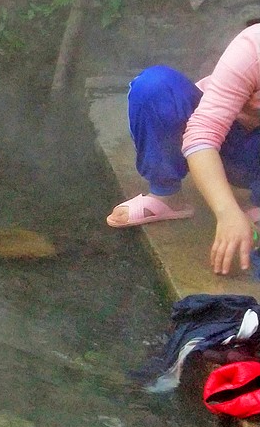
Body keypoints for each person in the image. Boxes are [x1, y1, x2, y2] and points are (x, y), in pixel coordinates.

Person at [108, 20, 260, 276]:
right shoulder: (253, 46)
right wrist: (227, 212)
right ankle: (167, 194)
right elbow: (204, 132)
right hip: (225, 141)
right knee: (154, 87)